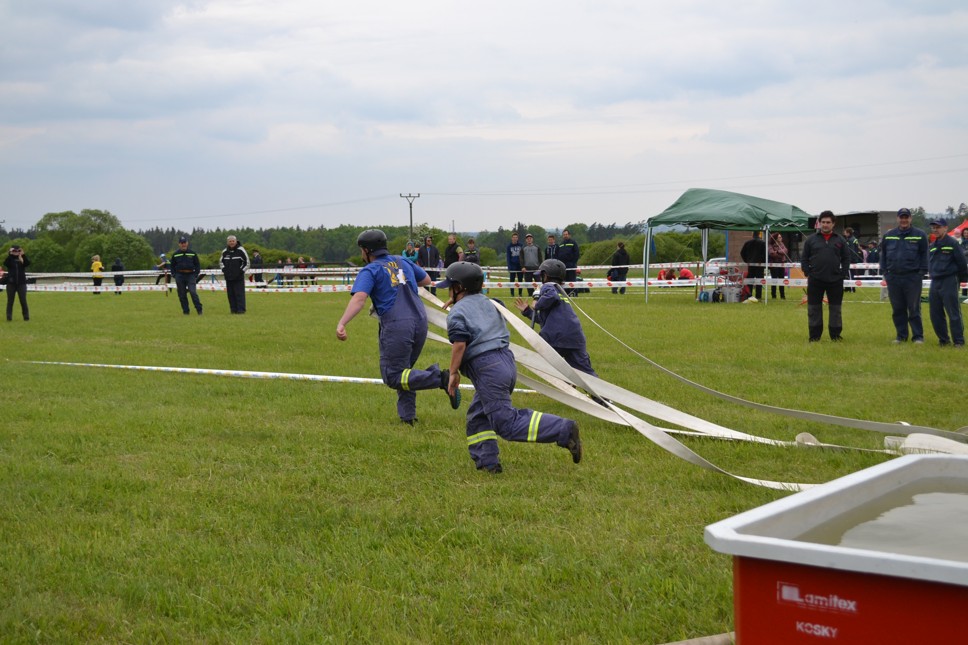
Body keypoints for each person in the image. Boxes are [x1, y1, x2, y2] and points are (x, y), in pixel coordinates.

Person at [439, 261, 582, 474]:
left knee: (506, 424)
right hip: (506, 362)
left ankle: (563, 430)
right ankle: (487, 463)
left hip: (488, 369)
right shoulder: (493, 302)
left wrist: (453, 373)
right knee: (478, 416)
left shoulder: (457, 313)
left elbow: (459, 344)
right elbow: (485, 308)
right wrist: (462, 301)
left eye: (450, 287)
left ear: (459, 287)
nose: (448, 291)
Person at [336, 230, 458, 424]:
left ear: (367, 250)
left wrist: (342, 323)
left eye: (361, 250)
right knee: (405, 371)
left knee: (393, 375)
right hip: (419, 321)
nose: (361, 254)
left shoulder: (371, 270)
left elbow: (359, 298)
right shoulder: (402, 261)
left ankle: (440, 379)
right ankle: (407, 418)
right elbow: (426, 280)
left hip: (398, 324)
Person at [514, 258, 598, 377]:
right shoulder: (561, 292)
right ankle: (600, 394)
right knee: (585, 373)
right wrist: (527, 311)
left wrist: (537, 304)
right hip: (576, 337)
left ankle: (567, 384)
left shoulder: (548, 286)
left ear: (546, 275)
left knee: (548, 367)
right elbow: (545, 320)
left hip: (556, 337)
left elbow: (551, 296)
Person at [880, 208, 929, 344]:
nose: (904, 220)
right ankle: (901, 336)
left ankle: (918, 336)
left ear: (910, 219)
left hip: (912, 277)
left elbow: (925, 255)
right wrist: (885, 272)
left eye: (906, 217)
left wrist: (921, 273)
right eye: (901, 217)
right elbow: (883, 255)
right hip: (894, 277)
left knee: (914, 308)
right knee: (898, 308)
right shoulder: (889, 235)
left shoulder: (920, 235)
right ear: (897, 219)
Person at [801, 211, 850, 342]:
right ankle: (814, 336)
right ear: (819, 223)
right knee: (814, 309)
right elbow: (804, 258)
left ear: (833, 224)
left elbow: (846, 258)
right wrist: (807, 272)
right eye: (823, 222)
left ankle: (835, 336)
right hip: (815, 280)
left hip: (835, 280)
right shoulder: (811, 240)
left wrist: (843, 273)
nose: (825, 225)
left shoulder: (840, 240)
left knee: (835, 309)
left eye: (828, 222)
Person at [927, 219, 968, 347]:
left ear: (945, 228)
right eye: (933, 227)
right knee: (935, 313)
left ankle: (958, 341)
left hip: (949, 280)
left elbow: (962, 263)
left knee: (953, 312)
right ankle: (943, 340)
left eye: (938, 227)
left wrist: (962, 280)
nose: (935, 229)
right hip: (935, 281)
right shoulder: (932, 246)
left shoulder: (953, 244)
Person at [170, 236, 203, 315]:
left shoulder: (193, 253)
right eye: (181, 243)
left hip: (190, 275)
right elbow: (172, 266)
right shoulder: (175, 254)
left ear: (187, 243)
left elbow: (197, 265)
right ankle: (186, 311)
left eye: (184, 243)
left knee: (193, 292)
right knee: (182, 294)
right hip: (179, 275)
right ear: (179, 244)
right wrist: (174, 275)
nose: (183, 244)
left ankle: (199, 310)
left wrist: (195, 274)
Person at [220, 235, 249, 314]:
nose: (231, 242)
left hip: (238, 277)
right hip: (228, 277)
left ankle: (241, 310)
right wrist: (224, 270)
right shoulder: (224, 252)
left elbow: (247, 263)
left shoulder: (241, 250)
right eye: (230, 241)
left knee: (239, 294)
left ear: (236, 241)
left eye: (233, 241)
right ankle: (233, 310)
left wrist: (240, 272)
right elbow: (221, 262)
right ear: (227, 242)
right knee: (231, 295)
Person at [4, 245, 30, 321]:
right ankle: (9, 317)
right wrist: (10, 254)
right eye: (14, 251)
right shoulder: (10, 259)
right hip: (11, 283)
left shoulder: (21, 259)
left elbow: (27, 263)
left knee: (23, 300)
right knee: (10, 301)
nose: (16, 252)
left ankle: (26, 317)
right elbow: (6, 263)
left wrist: (23, 255)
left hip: (21, 283)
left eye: (18, 250)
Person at [740, 232, 766, 301]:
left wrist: (747, 260)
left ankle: (749, 295)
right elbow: (766, 254)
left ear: (752, 235)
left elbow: (742, 253)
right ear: (759, 235)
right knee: (759, 282)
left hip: (750, 265)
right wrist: (763, 262)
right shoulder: (763, 243)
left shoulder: (747, 243)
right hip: (760, 265)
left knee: (750, 281)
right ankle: (758, 296)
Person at [557, 229, 580, 295]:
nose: (565, 236)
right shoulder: (561, 244)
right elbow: (559, 254)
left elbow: (577, 253)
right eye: (564, 235)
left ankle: (574, 293)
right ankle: (566, 294)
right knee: (564, 281)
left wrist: (573, 263)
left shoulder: (573, 243)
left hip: (571, 265)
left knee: (572, 280)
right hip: (563, 266)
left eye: (566, 234)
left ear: (569, 235)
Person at [768, 233, 788, 300]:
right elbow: (771, 253)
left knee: (781, 280)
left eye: (781, 237)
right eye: (779, 237)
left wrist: (777, 252)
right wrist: (780, 254)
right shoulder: (770, 245)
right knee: (774, 280)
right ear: (776, 238)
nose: (781, 238)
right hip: (774, 265)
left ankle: (782, 296)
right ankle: (774, 296)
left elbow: (785, 251)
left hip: (781, 264)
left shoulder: (782, 244)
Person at [842, 227, 863, 293]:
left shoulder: (850, 240)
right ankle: (848, 287)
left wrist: (849, 260)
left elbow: (851, 251)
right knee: (849, 274)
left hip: (851, 260)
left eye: (845, 232)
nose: (844, 233)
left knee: (850, 274)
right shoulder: (852, 239)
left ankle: (852, 288)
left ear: (848, 233)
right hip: (853, 259)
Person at [505, 232, 523, 296]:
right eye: (513, 237)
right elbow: (508, 257)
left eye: (516, 237)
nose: (515, 239)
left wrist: (523, 265)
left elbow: (523, 256)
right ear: (511, 238)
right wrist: (509, 267)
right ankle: (512, 293)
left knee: (520, 280)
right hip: (512, 266)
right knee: (512, 280)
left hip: (519, 266)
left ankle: (520, 293)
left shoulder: (521, 245)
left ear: (517, 238)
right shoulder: (509, 246)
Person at [960, 228, 968, 298]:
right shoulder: (961, 242)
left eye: (967, 233)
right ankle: (964, 295)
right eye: (965, 233)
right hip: (964, 263)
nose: (966, 234)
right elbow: (961, 252)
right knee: (964, 279)